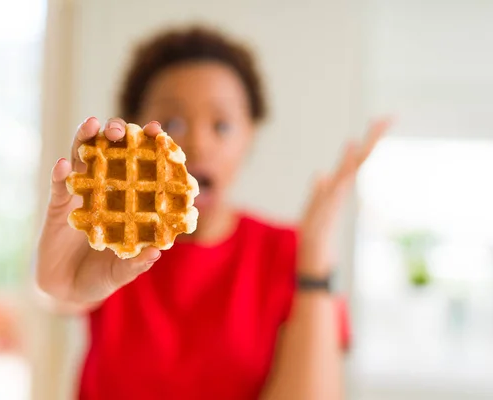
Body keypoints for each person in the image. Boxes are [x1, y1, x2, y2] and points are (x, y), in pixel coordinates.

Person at [36, 27, 389, 400]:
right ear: (133, 135)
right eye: (171, 124)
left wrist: (315, 253)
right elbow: (57, 292)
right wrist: (54, 283)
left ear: (249, 136)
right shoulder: (111, 247)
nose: (198, 143)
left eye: (221, 125)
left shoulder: (291, 254)